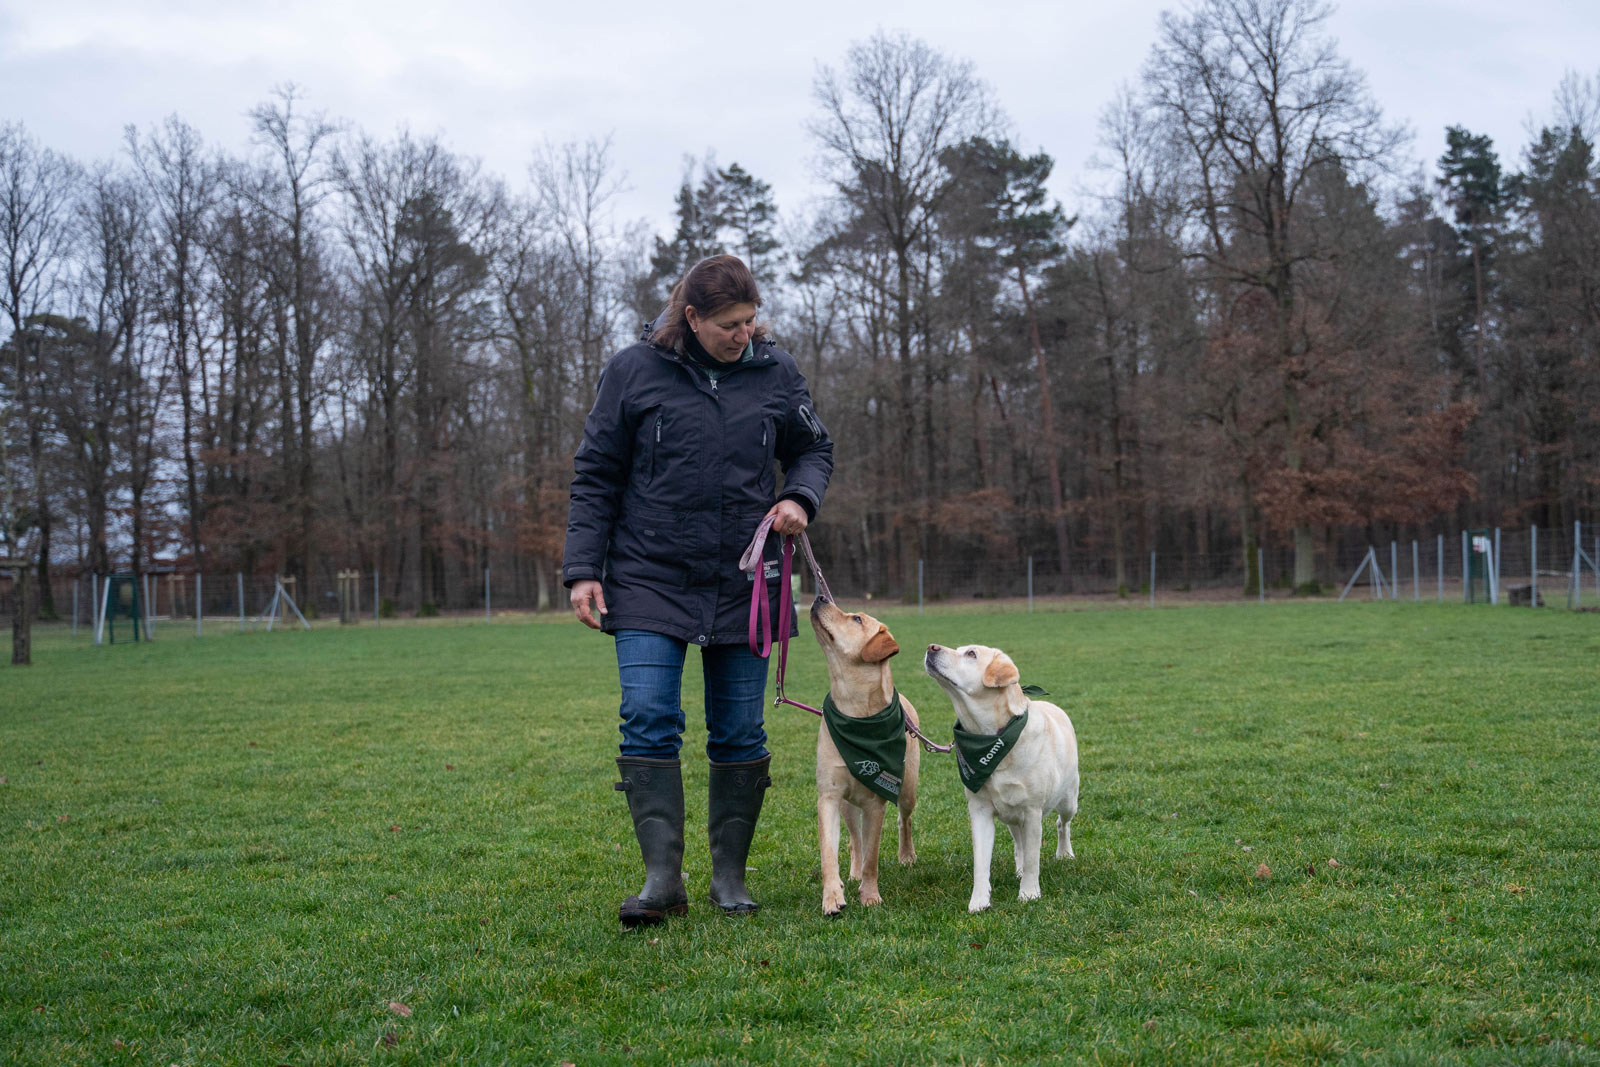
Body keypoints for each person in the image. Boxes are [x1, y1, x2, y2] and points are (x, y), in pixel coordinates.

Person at [563, 255, 833, 926]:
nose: (743, 335)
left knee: (740, 727)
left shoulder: (776, 371)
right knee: (648, 715)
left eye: (749, 322)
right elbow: (596, 473)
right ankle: (662, 880)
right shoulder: (633, 371)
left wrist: (800, 495)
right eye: (727, 325)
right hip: (649, 574)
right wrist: (582, 567)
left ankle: (729, 877)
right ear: (691, 317)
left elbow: (813, 449)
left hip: (747, 580)